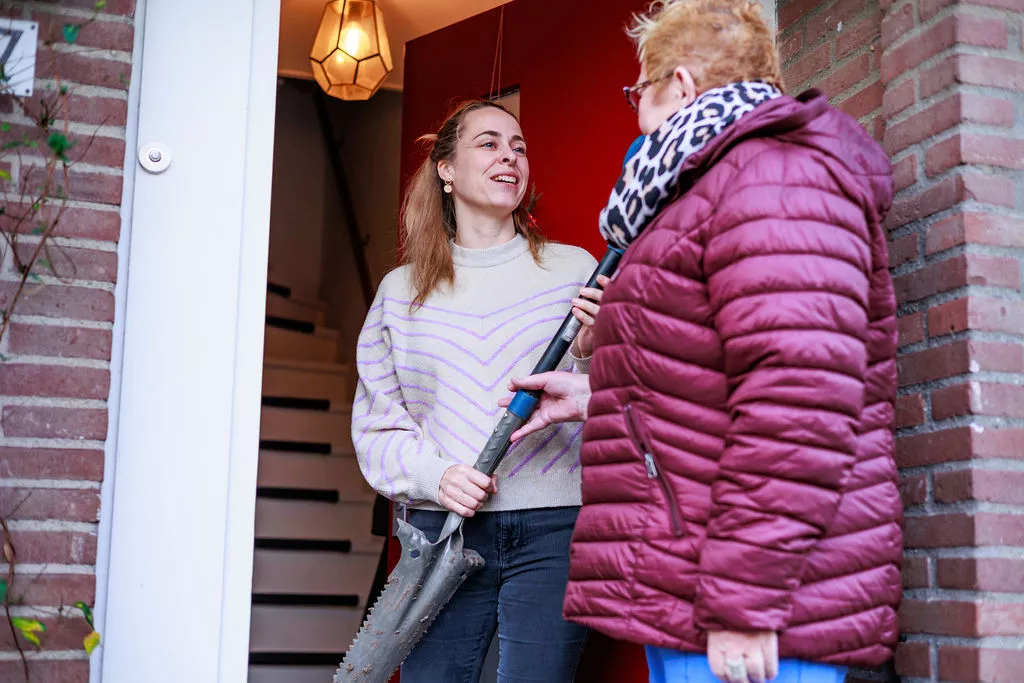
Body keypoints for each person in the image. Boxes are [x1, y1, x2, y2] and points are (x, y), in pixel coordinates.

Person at [498, 1, 902, 682]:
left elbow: (798, 402)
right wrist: (600, 396)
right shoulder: (724, 182)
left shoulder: (772, 177)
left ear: (680, 86)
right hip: (703, 581)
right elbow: (719, 376)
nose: (635, 114)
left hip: (749, 602)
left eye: (638, 92)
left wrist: (746, 600)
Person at [351, 99, 601, 683]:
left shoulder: (574, 271)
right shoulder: (402, 292)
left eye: (519, 146)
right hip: (444, 530)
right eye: (489, 143)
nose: (509, 156)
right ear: (445, 168)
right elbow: (378, 426)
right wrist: (437, 476)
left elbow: (622, 402)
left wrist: (594, 350)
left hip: (555, 525)